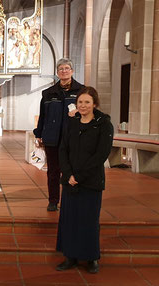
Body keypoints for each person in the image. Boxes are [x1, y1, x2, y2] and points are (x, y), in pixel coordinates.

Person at [56, 86, 114, 274]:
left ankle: (91, 258)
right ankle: (70, 256)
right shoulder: (72, 123)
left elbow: (101, 154)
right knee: (70, 219)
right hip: (70, 180)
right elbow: (63, 149)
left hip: (90, 180)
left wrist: (79, 176)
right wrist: (68, 174)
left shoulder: (104, 124)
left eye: (87, 102)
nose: (83, 105)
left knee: (88, 220)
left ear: (94, 104)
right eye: (80, 102)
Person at [33, 58, 84, 211]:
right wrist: (39, 133)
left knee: (71, 171)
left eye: (67, 68)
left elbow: (88, 113)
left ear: (72, 71)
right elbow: (43, 115)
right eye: (61, 69)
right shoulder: (48, 93)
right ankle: (53, 200)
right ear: (57, 72)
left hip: (73, 138)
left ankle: (70, 200)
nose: (64, 71)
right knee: (53, 172)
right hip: (52, 138)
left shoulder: (81, 91)